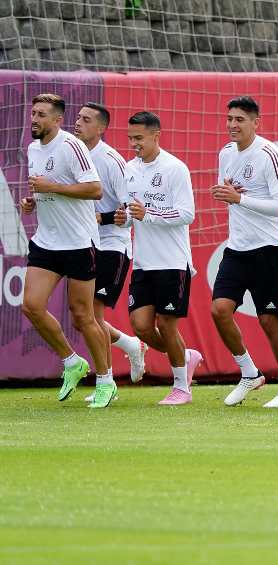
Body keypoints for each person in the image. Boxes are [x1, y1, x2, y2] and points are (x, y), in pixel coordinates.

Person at [18, 93, 113, 407]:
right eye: (33, 113)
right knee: (31, 305)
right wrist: (32, 202)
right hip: (47, 241)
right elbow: (44, 190)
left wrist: (52, 188)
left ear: (57, 120)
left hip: (78, 242)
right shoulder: (33, 148)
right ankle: (72, 363)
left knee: (83, 316)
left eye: (42, 115)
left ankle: (105, 381)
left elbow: (94, 189)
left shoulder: (72, 146)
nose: (34, 119)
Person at [209, 97, 278, 408]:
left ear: (255, 123)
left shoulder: (269, 154)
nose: (233, 125)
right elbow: (231, 190)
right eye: (230, 118)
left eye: (240, 120)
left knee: (269, 322)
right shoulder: (225, 153)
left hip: (269, 251)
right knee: (219, 310)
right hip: (237, 249)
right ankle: (249, 372)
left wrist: (239, 199)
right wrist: (226, 193)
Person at [117, 111, 202, 405]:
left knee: (167, 325)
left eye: (139, 138)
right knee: (140, 326)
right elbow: (131, 215)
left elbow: (187, 214)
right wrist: (123, 218)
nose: (134, 144)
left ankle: (181, 388)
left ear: (156, 136)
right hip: (143, 262)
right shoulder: (128, 169)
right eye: (130, 138)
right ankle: (186, 356)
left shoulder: (175, 168)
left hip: (172, 261)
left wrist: (149, 215)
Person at [74, 102, 148, 406]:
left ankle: (106, 381)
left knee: (92, 313)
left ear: (101, 128)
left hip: (113, 246)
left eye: (86, 119)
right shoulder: (72, 153)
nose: (78, 123)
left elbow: (129, 210)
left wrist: (103, 219)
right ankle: (132, 345)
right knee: (83, 317)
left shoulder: (111, 161)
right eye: (77, 118)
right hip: (83, 244)